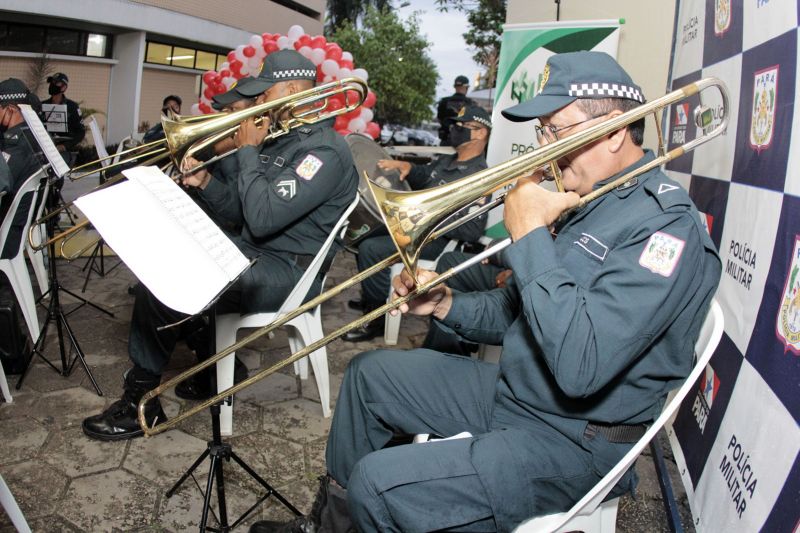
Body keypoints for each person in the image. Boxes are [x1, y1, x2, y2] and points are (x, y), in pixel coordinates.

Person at [249, 51, 722, 533]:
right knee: (370, 376)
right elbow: (519, 310)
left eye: (555, 132)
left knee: (379, 483)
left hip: (573, 440)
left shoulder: (665, 231)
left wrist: (532, 234)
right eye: (542, 133)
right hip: (520, 393)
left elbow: (582, 366)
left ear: (616, 130)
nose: (544, 150)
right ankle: (334, 526)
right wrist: (446, 304)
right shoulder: (587, 199)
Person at [82, 50, 359, 441]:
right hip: (255, 252)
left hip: (288, 272)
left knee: (167, 281)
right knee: (170, 249)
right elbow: (242, 215)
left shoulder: (324, 152)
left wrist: (246, 149)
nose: (259, 102)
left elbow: (262, 220)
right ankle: (213, 369)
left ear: (295, 91)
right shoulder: (280, 142)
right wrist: (206, 183)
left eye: (266, 93)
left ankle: (140, 402)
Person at [343, 105, 492, 342]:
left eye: (463, 127)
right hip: (414, 227)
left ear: (481, 133)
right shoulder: (447, 160)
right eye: (456, 125)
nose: (456, 130)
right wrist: (407, 167)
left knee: (371, 249)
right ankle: (374, 297)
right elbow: (425, 175)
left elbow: (472, 231)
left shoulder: (479, 175)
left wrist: (431, 214)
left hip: (436, 239)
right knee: (365, 236)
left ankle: (377, 319)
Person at [0, 78, 44, 256]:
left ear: (10, 109)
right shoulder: (33, 135)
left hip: (9, 229)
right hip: (22, 222)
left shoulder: (17, 145)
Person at [42, 72, 85, 157]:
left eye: (56, 83)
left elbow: (81, 132)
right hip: (45, 149)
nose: (52, 85)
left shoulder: (72, 107)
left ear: (64, 87)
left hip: (65, 152)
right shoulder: (42, 105)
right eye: (51, 83)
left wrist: (65, 146)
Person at [437, 75, 475, 145]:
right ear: (466, 87)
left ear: (455, 87)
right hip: (464, 143)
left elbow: (439, 119)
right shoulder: (471, 104)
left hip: (446, 141)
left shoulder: (444, 102)